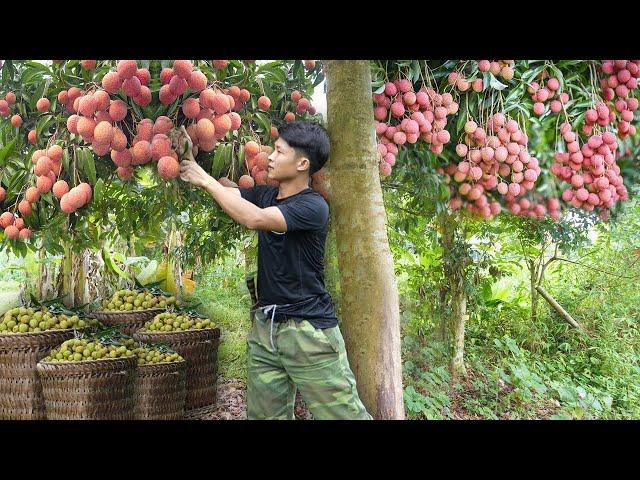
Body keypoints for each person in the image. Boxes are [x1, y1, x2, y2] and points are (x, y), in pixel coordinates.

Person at [179, 121, 372, 420]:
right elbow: (231, 193)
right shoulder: (267, 196)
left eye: (279, 151)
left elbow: (254, 219)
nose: (269, 157)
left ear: (302, 164)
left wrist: (204, 180)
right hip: (266, 329)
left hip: (308, 332)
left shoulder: (313, 206)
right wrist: (197, 158)